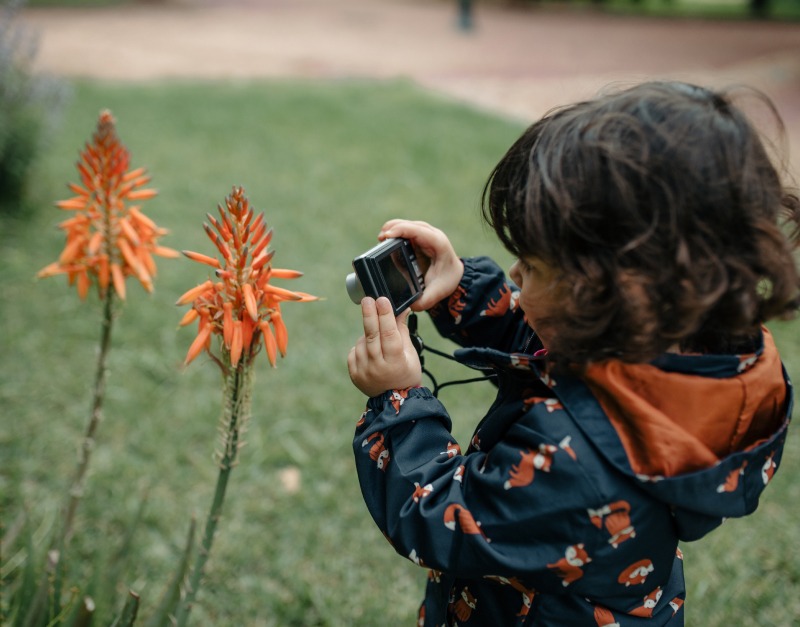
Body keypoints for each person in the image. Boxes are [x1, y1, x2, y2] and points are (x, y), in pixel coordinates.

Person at [347, 81, 799, 626]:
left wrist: (397, 399)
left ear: (611, 296)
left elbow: (440, 518)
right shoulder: (689, 361)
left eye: (533, 266)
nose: (515, 274)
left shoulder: (578, 463)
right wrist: (462, 286)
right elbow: (548, 345)